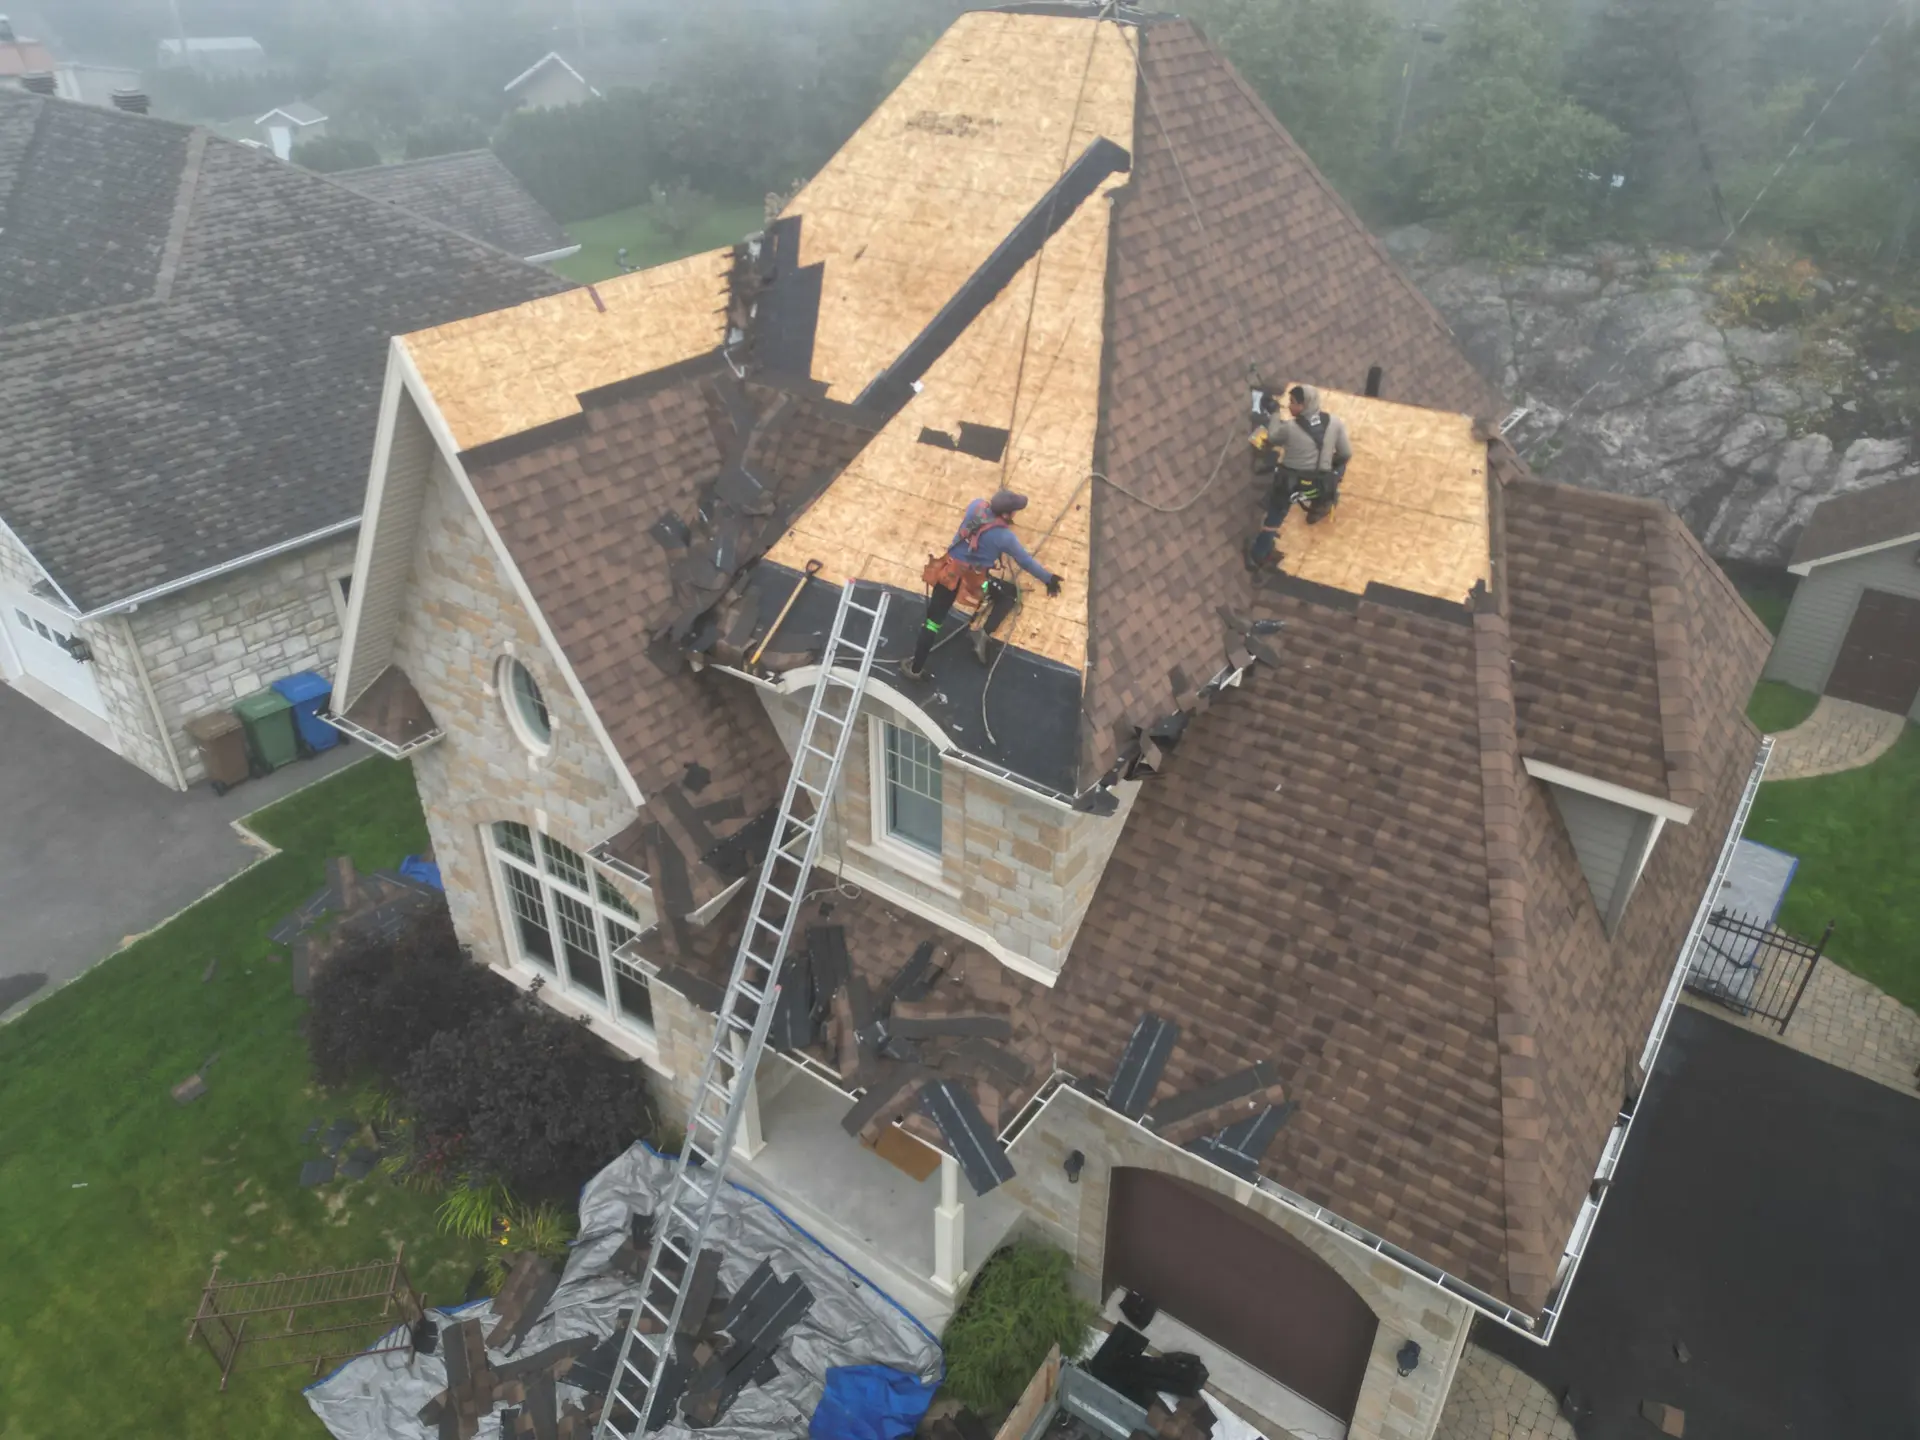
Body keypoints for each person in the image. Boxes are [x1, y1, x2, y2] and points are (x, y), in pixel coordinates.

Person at [900, 489, 1063, 680]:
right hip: (973, 583)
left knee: (932, 624)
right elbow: (1025, 561)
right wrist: (1048, 579)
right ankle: (982, 635)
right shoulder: (1005, 538)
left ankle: (915, 669)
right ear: (1006, 514)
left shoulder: (975, 505)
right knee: (1009, 595)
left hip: (948, 575)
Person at [1247, 384, 1353, 567]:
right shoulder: (1335, 423)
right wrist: (1327, 467)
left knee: (1274, 517)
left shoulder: (1290, 428)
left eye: (1293, 403)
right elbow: (1346, 454)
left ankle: (1259, 554)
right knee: (1340, 469)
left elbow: (1272, 436)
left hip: (1291, 487)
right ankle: (1321, 504)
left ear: (1305, 406)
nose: (1289, 406)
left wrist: (1274, 412)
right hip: (1319, 488)